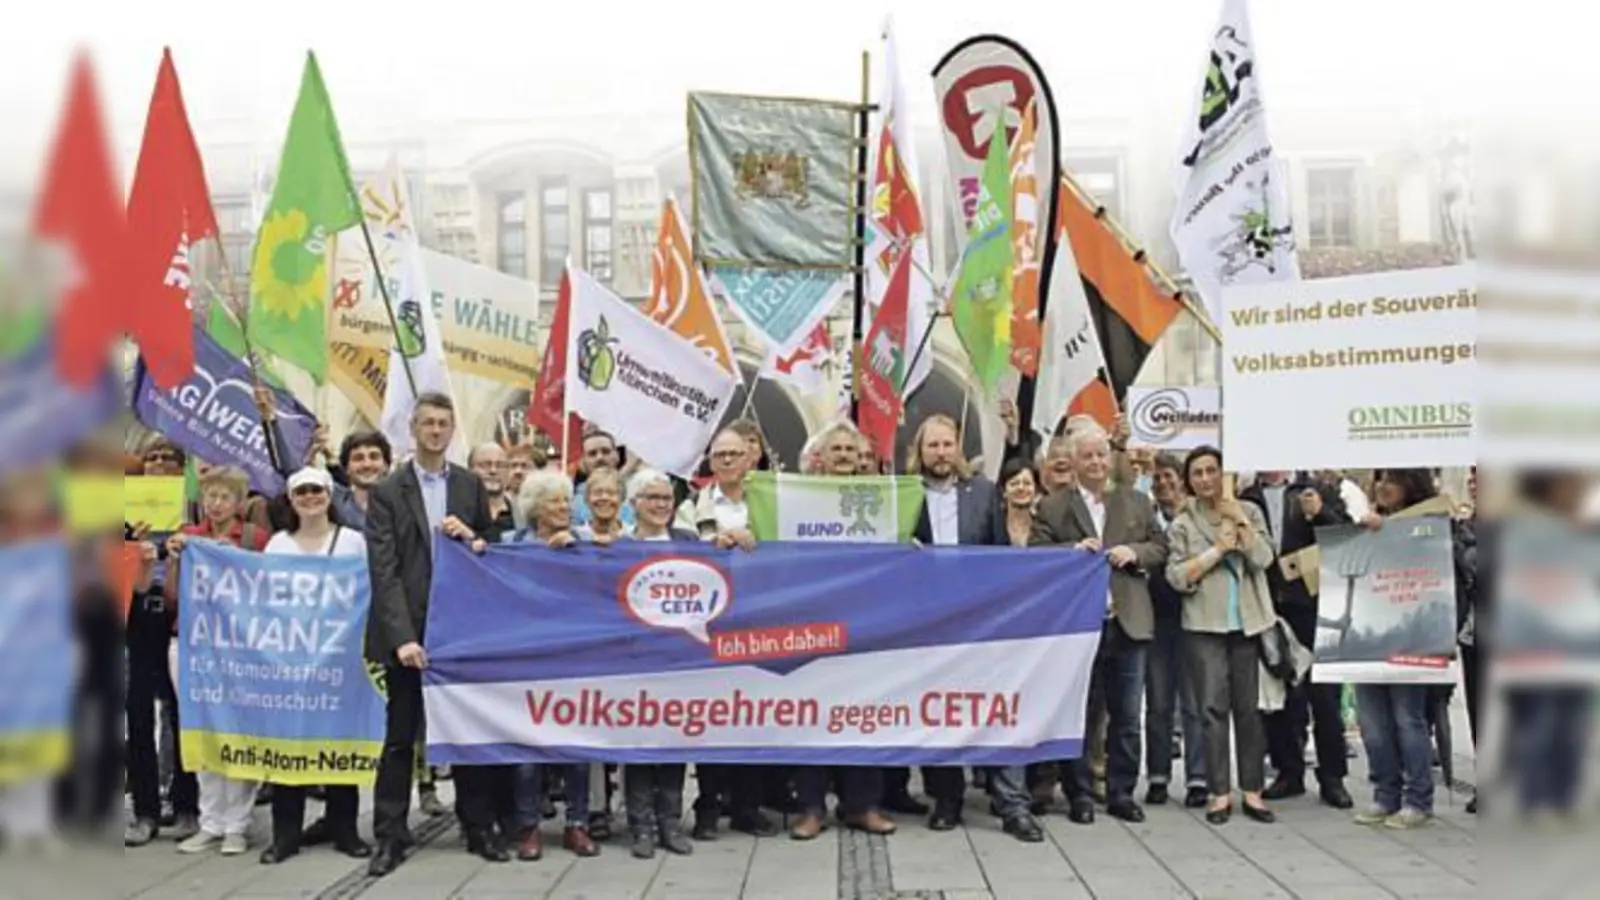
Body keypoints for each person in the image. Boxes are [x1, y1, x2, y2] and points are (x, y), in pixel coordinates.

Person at [365, 393, 504, 877]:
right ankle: (390, 834)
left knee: (466, 733)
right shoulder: (388, 490)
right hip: (410, 632)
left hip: (460, 630)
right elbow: (383, 571)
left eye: (444, 423)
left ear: (451, 431)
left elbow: (490, 547)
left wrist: (473, 536)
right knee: (401, 737)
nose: (436, 431)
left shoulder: (468, 485)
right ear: (414, 429)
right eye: (428, 423)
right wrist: (402, 636)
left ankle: (477, 825)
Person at [910, 416, 1043, 843]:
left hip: (982, 620)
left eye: (948, 444)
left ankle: (1013, 804)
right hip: (929, 621)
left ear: (958, 449)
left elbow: (1002, 555)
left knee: (998, 708)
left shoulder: (983, 492)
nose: (941, 452)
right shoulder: (903, 494)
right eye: (933, 445)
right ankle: (947, 799)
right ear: (920, 450)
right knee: (941, 710)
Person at [1029, 428, 1167, 826]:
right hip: (1080, 626)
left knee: (1126, 715)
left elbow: (1161, 546)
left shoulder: (1137, 502)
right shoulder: (1054, 507)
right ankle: (1080, 794)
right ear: (1072, 462)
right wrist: (1070, 552)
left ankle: (1122, 792)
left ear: (1110, 459)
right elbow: (1036, 553)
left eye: (1101, 455)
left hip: (1129, 621)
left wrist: (1135, 552)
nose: (1095, 463)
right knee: (1080, 714)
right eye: (1087, 456)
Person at [258, 468, 373, 865]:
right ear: (291, 500)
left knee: (341, 744)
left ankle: (345, 829)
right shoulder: (278, 545)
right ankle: (285, 834)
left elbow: (368, 593)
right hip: (290, 663)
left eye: (317, 490)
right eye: (302, 491)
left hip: (340, 662)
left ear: (329, 495)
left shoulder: (352, 542)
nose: (310, 497)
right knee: (289, 747)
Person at [789, 421, 896, 841]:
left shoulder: (881, 501)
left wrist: (910, 547)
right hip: (813, 624)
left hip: (865, 624)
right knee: (812, 716)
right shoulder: (798, 500)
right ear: (821, 457)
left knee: (862, 716)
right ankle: (811, 807)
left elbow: (895, 547)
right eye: (836, 450)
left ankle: (863, 805)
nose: (844, 457)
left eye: (851, 451)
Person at [1164, 446, 1278, 826]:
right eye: (1197, 473)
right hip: (1204, 625)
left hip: (1246, 623)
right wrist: (1216, 551)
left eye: (1212, 471)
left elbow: (1264, 559)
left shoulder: (1250, 511)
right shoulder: (1183, 522)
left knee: (1249, 709)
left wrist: (1240, 523)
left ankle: (1252, 790)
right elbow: (1177, 576)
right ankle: (1217, 792)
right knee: (1212, 708)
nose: (1205, 479)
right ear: (1189, 481)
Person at [1350, 469, 1467, 830]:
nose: (1383, 486)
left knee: (1407, 719)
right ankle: (1385, 794)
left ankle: (1418, 799)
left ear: (1412, 486)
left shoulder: (1434, 524)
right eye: (1380, 479)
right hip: (1368, 636)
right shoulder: (1363, 525)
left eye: (1393, 480)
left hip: (1412, 639)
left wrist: (1388, 532)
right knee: (1372, 724)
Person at [677, 427, 778, 841]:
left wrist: (763, 542)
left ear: (751, 458)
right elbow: (679, 552)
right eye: (720, 456)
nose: (728, 461)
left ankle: (747, 807)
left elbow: (793, 549)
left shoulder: (772, 503)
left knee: (754, 715)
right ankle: (708, 803)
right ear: (710, 462)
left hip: (761, 622)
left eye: (736, 454)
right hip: (712, 625)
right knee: (713, 715)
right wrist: (710, 546)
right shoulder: (692, 506)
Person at [164, 466, 271, 855]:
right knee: (201, 730)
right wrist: (175, 558)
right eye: (210, 496)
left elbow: (268, 591)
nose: (217, 503)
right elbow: (173, 597)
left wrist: (239, 560)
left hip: (238, 649)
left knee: (237, 732)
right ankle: (210, 820)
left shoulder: (254, 538)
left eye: (225, 496)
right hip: (193, 644)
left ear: (240, 502)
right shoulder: (190, 537)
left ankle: (237, 824)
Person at [504, 469, 602, 862]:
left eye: (566, 500)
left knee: (575, 747)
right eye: (554, 501)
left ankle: (576, 823)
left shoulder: (585, 542)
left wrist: (577, 554)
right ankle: (528, 826)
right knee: (528, 752)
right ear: (534, 509)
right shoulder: (511, 545)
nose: (564, 508)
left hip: (573, 657)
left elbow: (600, 587)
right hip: (527, 659)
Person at [1240, 471, 1354, 809]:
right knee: (1280, 696)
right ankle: (1288, 771)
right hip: (1270, 607)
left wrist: (1320, 512)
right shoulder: (1248, 496)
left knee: (1325, 697)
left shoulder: (1317, 488)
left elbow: (1345, 537)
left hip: (1314, 606)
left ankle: (1332, 776)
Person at [621, 467, 703, 859]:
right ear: (634, 503)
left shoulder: (689, 541)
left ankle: (670, 821)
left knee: (673, 741)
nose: (660, 505)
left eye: (666, 499)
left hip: (679, 658)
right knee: (639, 746)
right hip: (635, 659)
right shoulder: (618, 546)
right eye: (652, 498)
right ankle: (641, 826)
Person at [124, 438, 201, 847]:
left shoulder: (195, 509)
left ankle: (186, 805)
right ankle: (145, 811)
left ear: (180, 467)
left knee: (181, 710)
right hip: (135, 616)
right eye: (150, 458)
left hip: (180, 618)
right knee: (138, 711)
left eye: (166, 458)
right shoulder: (122, 510)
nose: (156, 464)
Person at [1143, 453, 1208, 810]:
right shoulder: (1146, 518)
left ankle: (1198, 777)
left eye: (1169, 477)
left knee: (1195, 701)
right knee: (1159, 702)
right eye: (1157, 481)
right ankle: (1157, 777)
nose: (1164, 485)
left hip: (1194, 615)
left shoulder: (1197, 518)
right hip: (1156, 617)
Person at [330, 431, 393, 533]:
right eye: (358, 458)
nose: (367, 465)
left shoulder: (404, 505)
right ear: (346, 468)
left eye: (374, 457)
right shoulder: (335, 502)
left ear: (386, 465)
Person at [574, 467, 627, 544]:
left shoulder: (634, 537)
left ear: (622, 499)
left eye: (611, 493)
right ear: (586, 499)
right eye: (597, 493)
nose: (604, 497)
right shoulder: (575, 537)